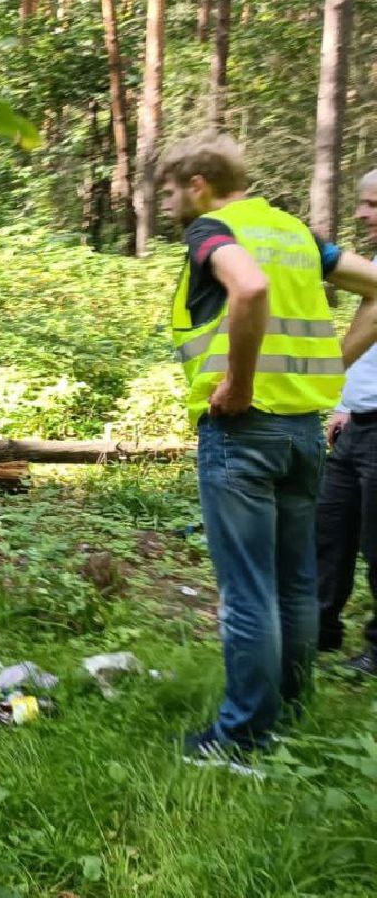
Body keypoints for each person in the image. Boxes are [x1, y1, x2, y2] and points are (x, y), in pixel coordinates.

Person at [160, 132, 377, 760]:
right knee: (294, 582)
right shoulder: (296, 235)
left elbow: (247, 288)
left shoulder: (212, 231)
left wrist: (239, 382)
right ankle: (291, 707)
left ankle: (242, 737)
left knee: (249, 590)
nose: (171, 206)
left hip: (243, 432)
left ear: (198, 185)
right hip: (304, 433)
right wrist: (330, 367)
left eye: (172, 193)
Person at [315, 171, 377, 676]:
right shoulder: (372, 266)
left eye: (372, 205)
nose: (361, 214)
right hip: (356, 425)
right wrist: (345, 404)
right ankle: (319, 629)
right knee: (329, 529)